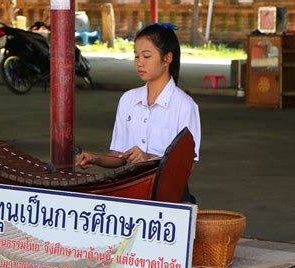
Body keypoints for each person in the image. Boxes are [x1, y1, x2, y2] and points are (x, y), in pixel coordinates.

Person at [76, 23, 201, 201]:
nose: (139, 62)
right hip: (132, 192)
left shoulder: (185, 106)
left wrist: (148, 158)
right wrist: (96, 158)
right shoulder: (128, 100)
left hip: (170, 197)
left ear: (167, 58)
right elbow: (119, 156)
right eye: (136, 56)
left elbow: (186, 167)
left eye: (147, 56)